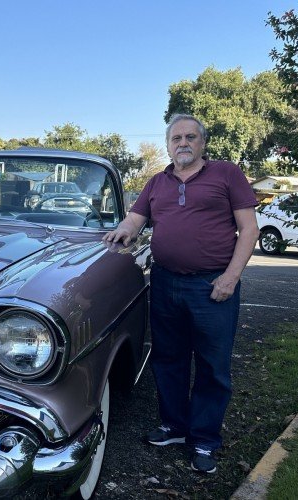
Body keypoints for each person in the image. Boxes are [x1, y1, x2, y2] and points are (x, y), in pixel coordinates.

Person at [102, 114, 259, 474]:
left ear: (203, 142)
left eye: (190, 137)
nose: (183, 143)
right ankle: (174, 426)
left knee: (212, 367)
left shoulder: (227, 174)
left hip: (212, 286)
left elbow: (248, 230)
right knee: (168, 359)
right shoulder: (157, 181)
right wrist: (120, 234)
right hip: (166, 281)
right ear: (168, 144)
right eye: (176, 138)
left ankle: (204, 439)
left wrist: (230, 278)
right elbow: (135, 219)